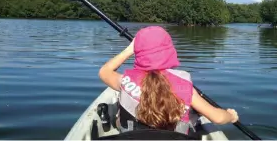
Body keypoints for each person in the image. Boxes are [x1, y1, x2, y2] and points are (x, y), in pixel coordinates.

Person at [98, 26, 239, 134]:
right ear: (170, 51)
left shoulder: (125, 81)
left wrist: (129, 50)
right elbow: (218, 118)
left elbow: (104, 72)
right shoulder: (184, 85)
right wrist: (231, 116)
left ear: (138, 52)